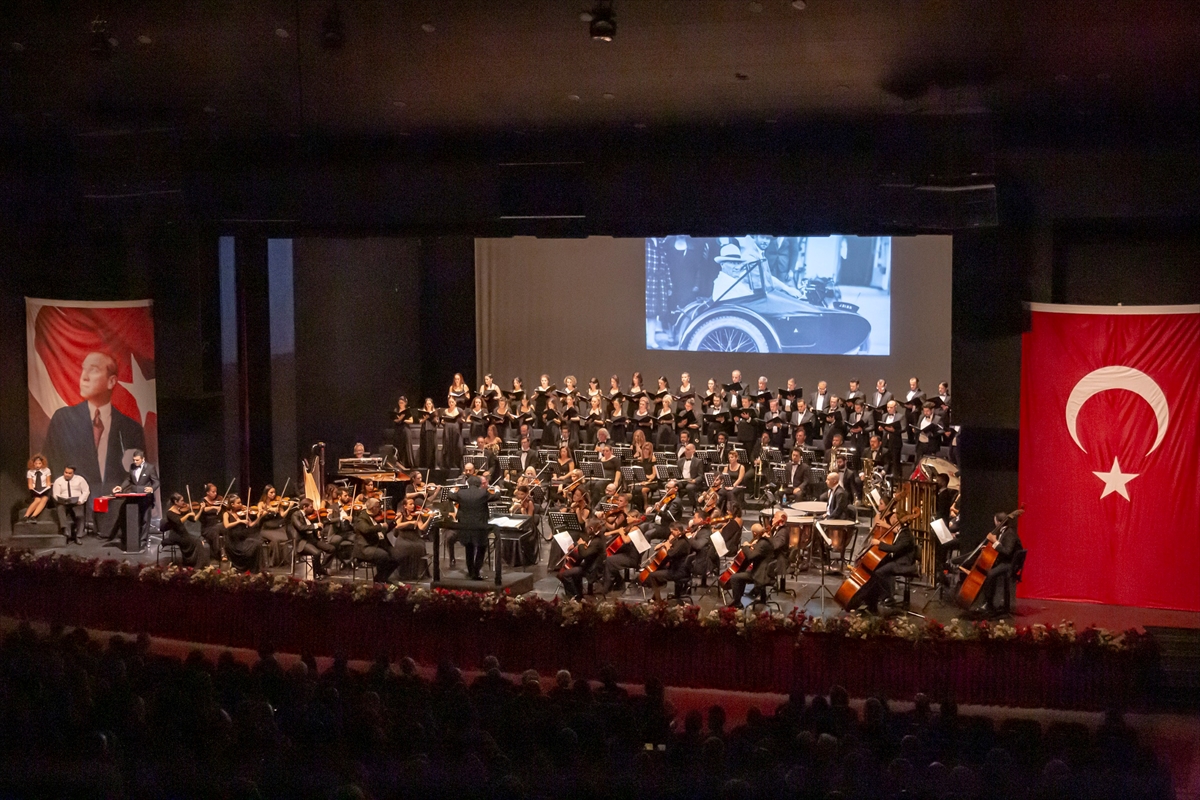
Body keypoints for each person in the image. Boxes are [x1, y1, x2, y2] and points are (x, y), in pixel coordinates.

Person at [43, 350, 146, 495]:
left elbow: (139, 475)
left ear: (111, 381)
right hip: (74, 506)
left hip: (117, 508)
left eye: (93, 370)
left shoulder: (131, 429)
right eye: (84, 369)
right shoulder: (62, 420)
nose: (84, 377)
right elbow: (51, 466)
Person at [851, 508, 917, 614]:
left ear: (898, 520)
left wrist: (878, 543)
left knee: (878, 573)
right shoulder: (901, 531)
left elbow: (896, 549)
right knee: (874, 569)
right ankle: (870, 601)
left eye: (895, 517)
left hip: (903, 563)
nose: (893, 518)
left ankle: (882, 597)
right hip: (896, 560)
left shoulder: (906, 534)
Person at [449, 475, 496, 581]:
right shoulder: (483, 493)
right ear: (479, 484)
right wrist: (497, 490)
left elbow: (450, 496)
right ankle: (476, 572)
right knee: (481, 547)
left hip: (465, 525)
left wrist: (452, 490)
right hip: (480, 525)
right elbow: (496, 497)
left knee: (469, 548)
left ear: (468, 484)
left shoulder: (461, 493)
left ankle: (470, 572)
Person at [113, 449, 159, 546]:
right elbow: (129, 479)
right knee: (134, 518)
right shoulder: (132, 467)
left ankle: (143, 541)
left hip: (146, 497)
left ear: (143, 459)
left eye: (137, 460)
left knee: (145, 519)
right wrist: (121, 487)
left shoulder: (150, 468)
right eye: (134, 460)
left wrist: (151, 488)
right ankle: (133, 540)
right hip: (134, 496)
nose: (135, 462)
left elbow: (156, 482)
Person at [725, 523, 773, 607]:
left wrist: (746, 546)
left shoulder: (762, 543)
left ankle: (737, 603)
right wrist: (753, 546)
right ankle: (738, 600)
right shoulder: (766, 541)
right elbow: (758, 554)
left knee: (735, 577)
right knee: (743, 573)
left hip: (760, 575)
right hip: (763, 571)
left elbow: (751, 557)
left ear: (754, 533)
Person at [558, 518, 605, 601]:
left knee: (565, 574)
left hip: (592, 569)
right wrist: (575, 545)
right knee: (573, 568)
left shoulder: (598, 541)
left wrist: (580, 545)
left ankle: (574, 597)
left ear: (591, 528)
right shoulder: (595, 535)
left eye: (587, 528)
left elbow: (584, 554)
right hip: (588, 564)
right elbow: (585, 541)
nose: (585, 530)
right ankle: (578, 594)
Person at [353, 498, 398, 583]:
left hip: (377, 543)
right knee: (383, 555)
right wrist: (380, 526)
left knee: (397, 556)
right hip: (365, 547)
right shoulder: (361, 518)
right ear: (373, 508)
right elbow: (366, 530)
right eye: (378, 506)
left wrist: (393, 523)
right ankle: (380, 581)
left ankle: (380, 578)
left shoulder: (376, 517)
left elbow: (382, 532)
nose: (380, 508)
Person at [160, 492, 211, 568]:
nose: (184, 502)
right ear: (176, 502)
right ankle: (198, 564)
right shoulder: (170, 513)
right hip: (176, 535)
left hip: (183, 533)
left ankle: (195, 563)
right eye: (182, 501)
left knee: (199, 541)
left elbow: (194, 519)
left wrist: (201, 510)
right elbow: (179, 521)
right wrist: (188, 514)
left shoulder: (181, 510)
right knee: (197, 542)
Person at [642, 523, 690, 602]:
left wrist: (667, 546)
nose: (671, 534)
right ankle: (655, 597)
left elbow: (671, 553)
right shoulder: (680, 540)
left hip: (678, 571)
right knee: (659, 570)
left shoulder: (682, 543)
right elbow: (672, 547)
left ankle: (658, 600)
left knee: (652, 575)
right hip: (677, 568)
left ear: (677, 531)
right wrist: (664, 544)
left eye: (672, 532)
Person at [287, 498, 332, 578]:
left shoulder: (307, 516)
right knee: (317, 553)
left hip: (312, 539)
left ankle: (321, 568)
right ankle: (317, 573)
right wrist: (315, 525)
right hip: (302, 541)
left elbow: (312, 527)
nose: (313, 509)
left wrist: (319, 527)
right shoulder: (295, 515)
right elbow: (300, 527)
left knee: (331, 549)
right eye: (311, 507)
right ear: (304, 507)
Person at [392, 497, 433, 580]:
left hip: (415, 537)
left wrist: (429, 518)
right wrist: (410, 522)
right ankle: (403, 573)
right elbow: (398, 525)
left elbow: (422, 528)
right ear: (405, 506)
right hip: (403, 537)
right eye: (410, 504)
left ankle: (418, 573)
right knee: (404, 547)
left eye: (413, 504)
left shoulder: (417, 515)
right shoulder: (401, 514)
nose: (413, 506)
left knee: (419, 547)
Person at [222, 495, 263, 572]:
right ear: (232, 504)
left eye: (240, 502)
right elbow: (226, 525)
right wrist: (239, 521)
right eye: (238, 503)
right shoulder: (226, 514)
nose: (241, 504)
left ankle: (257, 569)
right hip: (233, 542)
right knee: (254, 545)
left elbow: (251, 524)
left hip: (242, 540)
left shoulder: (243, 513)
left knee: (258, 544)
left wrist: (259, 517)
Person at [51, 465, 89, 544]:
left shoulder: (80, 479)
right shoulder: (59, 481)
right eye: (66, 472)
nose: (67, 474)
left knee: (80, 515)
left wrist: (81, 500)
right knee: (60, 509)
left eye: (69, 473)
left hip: (76, 501)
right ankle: (65, 531)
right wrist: (61, 499)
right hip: (63, 501)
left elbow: (86, 491)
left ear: (73, 473)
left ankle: (78, 536)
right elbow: (55, 494)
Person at [197, 483, 225, 561]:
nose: (215, 493)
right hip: (207, 528)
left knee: (226, 527)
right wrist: (213, 507)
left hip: (217, 525)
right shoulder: (203, 501)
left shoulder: (219, 500)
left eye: (216, 492)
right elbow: (203, 509)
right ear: (207, 493)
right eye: (213, 492)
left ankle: (227, 552)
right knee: (216, 529)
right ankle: (218, 553)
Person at [24, 454, 52, 520]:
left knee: (44, 499)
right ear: (33, 463)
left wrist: (48, 488)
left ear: (42, 463)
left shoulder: (47, 470)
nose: (37, 465)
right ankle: (26, 516)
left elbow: (48, 482)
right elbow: (30, 484)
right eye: (36, 463)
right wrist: (32, 489)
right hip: (35, 490)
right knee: (37, 500)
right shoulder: (30, 472)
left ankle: (33, 516)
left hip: (44, 490)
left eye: (39, 463)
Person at [677, 442, 704, 508]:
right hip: (682, 481)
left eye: (688, 450)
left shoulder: (698, 461)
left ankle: (694, 506)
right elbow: (677, 474)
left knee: (689, 487)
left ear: (693, 451)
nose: (686, 451)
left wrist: (695, 480)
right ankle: (674, 506)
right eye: (685, 449)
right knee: (672, 485)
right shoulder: (680, 461)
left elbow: (701, 476)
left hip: (692, 481)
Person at [441, 396, 464, 472]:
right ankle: (448, 465)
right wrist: (442, 422)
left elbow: (463, 419)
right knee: (448, 447)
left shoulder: (459, 410)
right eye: (449, 402)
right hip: (447, 431)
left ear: (455, 402)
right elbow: (442, 421)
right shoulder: (445, 411)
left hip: (456, 432)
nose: (451, 403)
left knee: (457, 447)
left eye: (452, 402)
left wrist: (461, 420)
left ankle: (456, 464)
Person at [391, 395, 414, 467]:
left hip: (405, 429)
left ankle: (407, 463)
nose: (401, 404)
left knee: (406, 446)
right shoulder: (396, 410)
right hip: (398, 430)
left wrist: (403, 419)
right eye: (400, 402)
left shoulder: (407, 410)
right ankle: (399, 463)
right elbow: (394, 420)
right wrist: (399, 419)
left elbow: (411, 421)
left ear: (405, 403)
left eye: (402, 403)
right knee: (398, 446)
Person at [417, 398, 439, 470]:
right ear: (425, 405)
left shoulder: (435, 412)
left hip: (432, 430)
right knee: (425, 447)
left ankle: (432, 465)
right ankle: (425, 465)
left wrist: (435, 420)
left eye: (429, 404)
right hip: (425, 430)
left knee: (432, 447)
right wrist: (425, 418)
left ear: (432, 404)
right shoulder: (423, 412)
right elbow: (420, 421)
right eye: (427, 404)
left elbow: (437, 422)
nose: (428, 405)